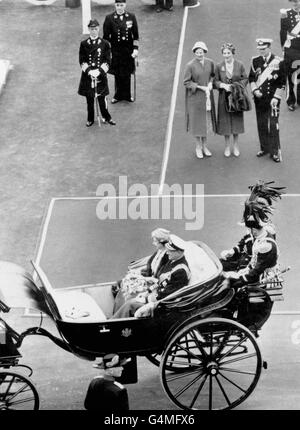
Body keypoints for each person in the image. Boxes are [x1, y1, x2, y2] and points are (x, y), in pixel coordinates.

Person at [111, 234, 191, 319]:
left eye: (170, 251)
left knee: (130, 305)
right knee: (129, 298)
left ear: (179, 252)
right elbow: (161, 283)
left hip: (163, 306)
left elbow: (167, 294)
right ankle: (115, 319)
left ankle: (113, 324)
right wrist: (147, 292)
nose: (167, 253)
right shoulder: (173, 261)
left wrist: (146, 299)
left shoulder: (181, 271)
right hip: (156, 296)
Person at [223, 198, 279, 290]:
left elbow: (257, 270)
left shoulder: (265, 245)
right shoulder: (259, 236)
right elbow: (245, 243)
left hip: (261, 275)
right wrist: (233, 251)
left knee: (228, 284)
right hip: (252, 267)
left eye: (252, 229)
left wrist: (239, 278)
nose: (250, 231)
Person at [112, 228, 170, 312]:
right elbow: (150, 269)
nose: (153, 243)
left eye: (155, 241)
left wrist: (147, 279)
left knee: (127, 291)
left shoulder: (167, 256)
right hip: (149, 280)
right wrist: (138, 272)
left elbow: (161, 278)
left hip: (153, 285)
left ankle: (121, 314)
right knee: (119, 284)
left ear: (161, 242)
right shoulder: (158, 251)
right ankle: (117, 313)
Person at [248, 38, 286, 163]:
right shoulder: (255, 61)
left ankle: (274, 152)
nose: (261, 51)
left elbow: (282, 82)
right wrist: (254, 91)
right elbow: (251, 79)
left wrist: (276, 97)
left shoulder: (279, 61)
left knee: (273, 124)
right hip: (260, 99)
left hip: (273, 100)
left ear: (269, 48)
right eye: (259, 49)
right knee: (262, 124)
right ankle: (265, 148)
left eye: (263, 49)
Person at [78, 19, 116, 127]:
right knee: (89, 99)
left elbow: (108, 61)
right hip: (88, 76)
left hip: (100, 75)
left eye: (95, 29)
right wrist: (90, 71)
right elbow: (82, 61)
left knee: (102, 98)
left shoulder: (105, 44)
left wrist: (99, 71)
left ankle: (106, 117)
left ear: (98, 29)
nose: (93, 31)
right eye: (91, 29)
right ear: (89, 30)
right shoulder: (84, 44)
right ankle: (90, 119)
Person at [214, 43, 249, 157]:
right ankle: (227, 146)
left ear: (232, 53)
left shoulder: (239, 65)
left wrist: (236, 86)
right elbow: (215, 82)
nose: (226, 55)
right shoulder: (219, 66)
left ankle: (236, 146)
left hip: (236, 98)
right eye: (224, 53)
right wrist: (223, 85)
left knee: (236, 121)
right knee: (225, 122)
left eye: (228, 53)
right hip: (224, 98)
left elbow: (245, 78)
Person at [183, 41, 217, 159]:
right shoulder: (190, 65)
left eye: (201, 52)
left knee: (205, 122)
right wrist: (199, 87)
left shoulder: (210, 63)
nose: (199, 54)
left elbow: (213, 75)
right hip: (195, 98)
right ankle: (198, 147)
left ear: (205, 52)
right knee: (197, 123)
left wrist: (211, 83)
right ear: (194, 53)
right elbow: (186, 82)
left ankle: (204, 146)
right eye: (197, 52)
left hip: (207, 97)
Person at [103, 0, 139, 104]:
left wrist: (135, 49)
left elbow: (136, 36)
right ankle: (118, 95)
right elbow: (105, 38)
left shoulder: (131, 17)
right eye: (117, 5)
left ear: (125, 5)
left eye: (121, 5)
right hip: (116, 50)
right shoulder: (109, 18)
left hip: (128, 50)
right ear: (115, 5)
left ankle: (127, 95)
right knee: (118, 74)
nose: (119, 7)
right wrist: (108, 51)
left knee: (127, 73)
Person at [280, 0, 300, 111]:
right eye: (292, 1)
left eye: (296, 1)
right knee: (290, 75)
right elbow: (283, 31)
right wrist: (283, 47)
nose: (294, 3)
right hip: (291, 48)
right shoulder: (286, 13)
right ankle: (290, 101)